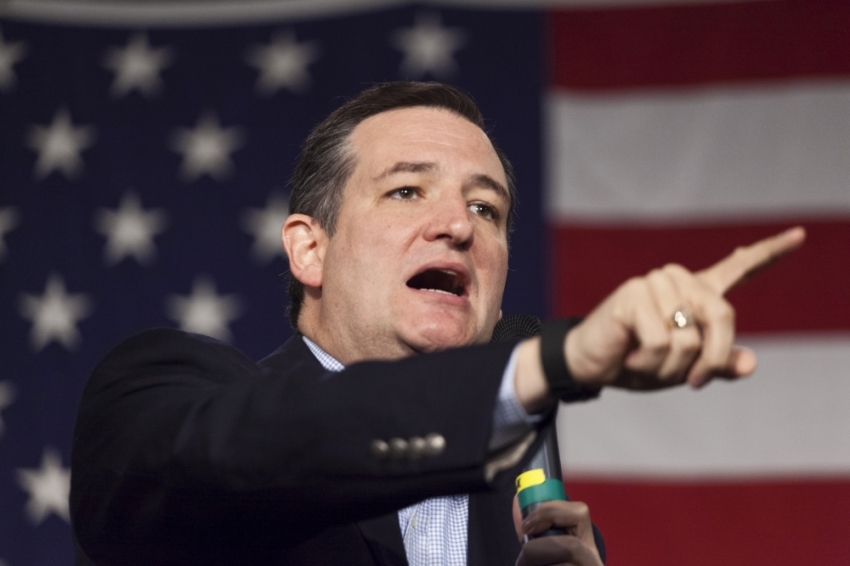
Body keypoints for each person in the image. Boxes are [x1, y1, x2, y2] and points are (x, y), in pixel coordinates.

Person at [70, 82, 805, 566]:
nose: (457, 225)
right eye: (406, 191)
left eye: (486, 209)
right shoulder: (162, 403)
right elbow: (272, 439)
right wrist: (553, 364)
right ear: (309, 248)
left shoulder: (531, 513)